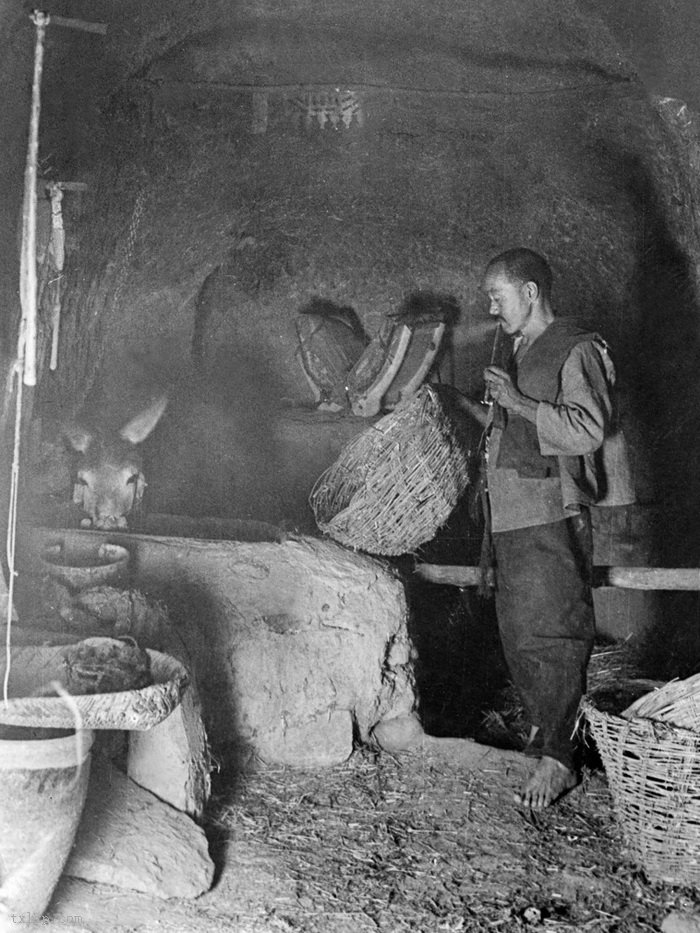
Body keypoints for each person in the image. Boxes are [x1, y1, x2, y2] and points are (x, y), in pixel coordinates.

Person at [460, 247, 635, 809]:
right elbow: (514, 423)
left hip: (548, 510)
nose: (491, 308)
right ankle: (544, 739)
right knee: (521, 633)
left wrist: (518, 401)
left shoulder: (576, 346)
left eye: (498, 295)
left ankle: (561, 760)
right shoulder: (520, 348)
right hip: (511, 513)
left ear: (530, 292)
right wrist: (480, 409)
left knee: (555, 632)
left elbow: (586, 430)